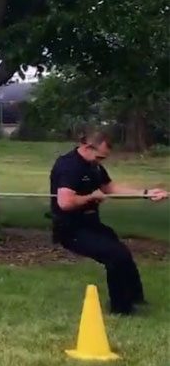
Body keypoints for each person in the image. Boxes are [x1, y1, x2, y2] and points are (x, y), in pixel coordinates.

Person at [49, 130, 167, 315]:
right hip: (71, 229)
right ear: (87, 147)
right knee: (115, 255)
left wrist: (146, 193)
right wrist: (90, 197)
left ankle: (135, 298)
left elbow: (109, 188)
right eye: (100, 157)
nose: (101, 161)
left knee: (123, 253)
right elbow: (65, 202)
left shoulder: (93, 165)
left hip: (91, 224)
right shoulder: (68, 166)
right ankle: (121, 309)